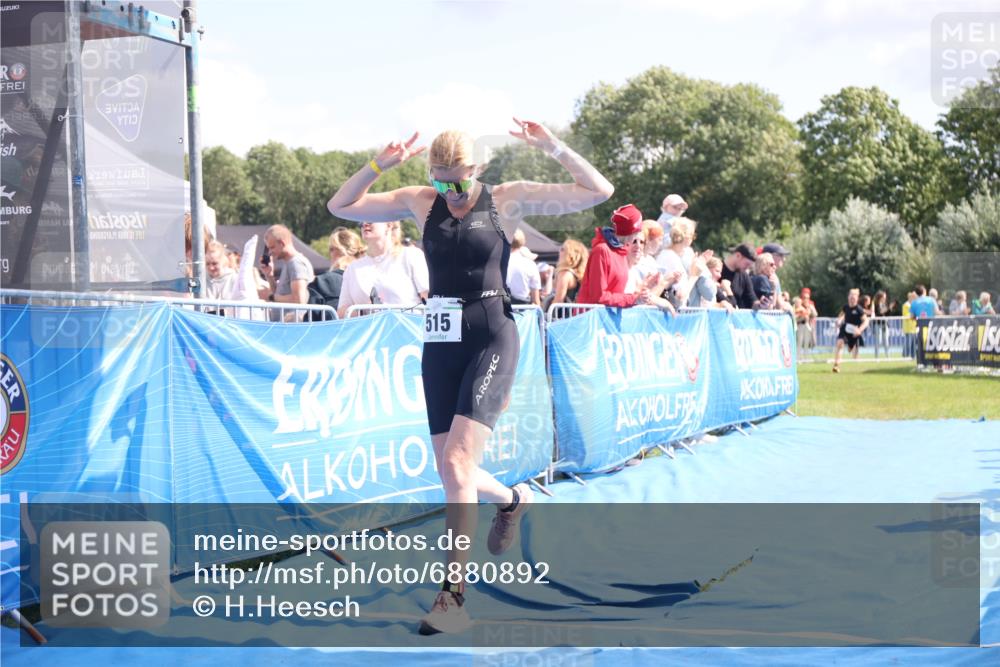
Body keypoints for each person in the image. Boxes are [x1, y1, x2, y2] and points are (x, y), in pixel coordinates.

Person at [326, 120, 614, 635]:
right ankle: (512, 499)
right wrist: (378, 165)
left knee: (458, 462)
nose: (449, 193)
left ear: (477, 172)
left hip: (491, 334)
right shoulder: (419, 201)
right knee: (449, 470)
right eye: (440, 181)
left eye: (457, 183)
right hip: (440, 341)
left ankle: (452, 597)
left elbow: (600, 191)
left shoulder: (507, 198)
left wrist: (551, 146)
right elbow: (341, 207)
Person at [577, 204, 671, 307]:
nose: (638, 237)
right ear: (632, 231)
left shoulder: (621, 251)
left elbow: (619, 294)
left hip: (607, 318)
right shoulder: (602, 250)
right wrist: (634, 299)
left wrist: (641, 289)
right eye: (637, 233)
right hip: (591, 319)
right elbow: (599, 297)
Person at [336, 221, 429, 318]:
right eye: (361, 220)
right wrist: (365, 311)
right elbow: (342, 312)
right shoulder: (352, 268)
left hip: (407, 330)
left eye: (371, 219)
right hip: (370, 331)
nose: (365, 223)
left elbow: (428, 299)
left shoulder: (411, 255)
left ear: (389, 225)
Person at [262, 224, 315, 322]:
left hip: (292, 329)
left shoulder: (296, 263)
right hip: (285, 327)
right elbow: (281, 294)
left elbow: (299, 300)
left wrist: (271, 297)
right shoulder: (290, 263)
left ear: (282, 243)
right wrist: (269, 276)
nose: (269, 252)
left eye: (272, 247)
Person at [832, 288, 868, 372]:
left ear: (857, 299)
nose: (852, 299)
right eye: (851, 297)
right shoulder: (845, 307)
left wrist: (860, 330)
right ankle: (836, 365)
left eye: (854, 298)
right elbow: (841, 315)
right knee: (839, 343)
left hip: (854, 331)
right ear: (848, 297)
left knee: (851, 352)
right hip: (845, 328)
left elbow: (866, 321)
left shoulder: (859, 309)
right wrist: (839, 320)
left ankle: (852, 347)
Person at [505, 229, 542, 306]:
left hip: (502, 308)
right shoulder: (530, 264)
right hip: (523, 310)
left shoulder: (498, 262)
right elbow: (535, 300)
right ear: (523, 242)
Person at [549, 238, 588, 306]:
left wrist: (546, 313)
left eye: (562, 249)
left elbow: (558, 300)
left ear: (570, 255)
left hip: (561, 314)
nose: (559, 251)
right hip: (573, 313)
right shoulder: (577, 275)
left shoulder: (565, 274)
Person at [721, 243, 758, 310]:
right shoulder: (717, 270)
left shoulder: (744, 276)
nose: (747, 268)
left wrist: (761, 304)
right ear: (738, 255)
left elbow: (752, 299)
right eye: (747, 264)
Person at [761, 243, 791, 311]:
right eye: (781, 255)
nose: (784, 259)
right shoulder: (769, 277)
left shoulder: (773, 275)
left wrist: (781, 297)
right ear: (769, 256)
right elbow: (779, 305)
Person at [872, 290, 891, 355]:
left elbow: (887, 314)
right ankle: (877, 357)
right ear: (880, 297)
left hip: (885, 324)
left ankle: (887, 356)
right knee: (878, 341)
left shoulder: (885, 304)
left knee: (886, 341)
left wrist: (889, 309)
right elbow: (878, 313)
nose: (885, 298)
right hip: (877, 324)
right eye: (884, 296)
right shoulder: (875, 304)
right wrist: (887, 309)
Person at [901, 291, 917, 358]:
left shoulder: (914, 305)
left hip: (914, 328)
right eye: (914, 297)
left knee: (913, 344)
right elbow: (906, 315)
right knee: (908, 343)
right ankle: (905, 355)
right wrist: (913, 315)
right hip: (908, 328)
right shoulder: (906, 305)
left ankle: (913, 356)